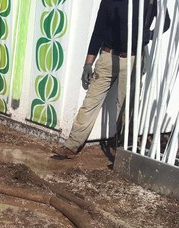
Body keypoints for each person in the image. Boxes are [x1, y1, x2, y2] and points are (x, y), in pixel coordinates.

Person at [52, 0, 170, 159]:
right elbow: (98, 30)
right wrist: (88, 63)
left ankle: (121, 151)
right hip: (107, 57)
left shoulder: (148, 2)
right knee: (90, 102)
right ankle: (72, 145)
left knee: (127, 107)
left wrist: (148, 34)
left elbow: (165, 22)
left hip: (132, 59)